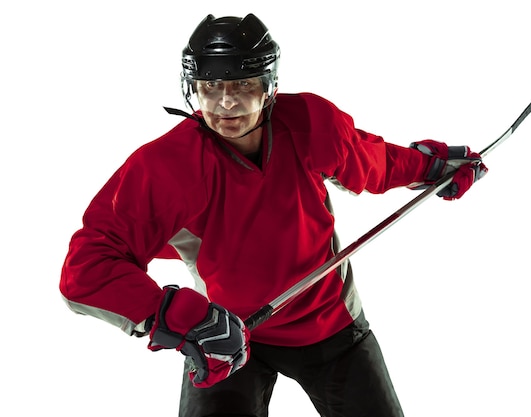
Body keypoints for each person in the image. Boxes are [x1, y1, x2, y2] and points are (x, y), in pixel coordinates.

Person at [60, 13, 487, 417]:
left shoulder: (311, 122)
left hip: (329, 324)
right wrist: (177, 318)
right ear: (192, 88)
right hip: (226, 334)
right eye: (210, 86)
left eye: (243, 84)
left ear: (269, 86)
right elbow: (87, 268)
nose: (225, 103)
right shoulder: (168, 166)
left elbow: (372, 163)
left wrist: (431, 168)